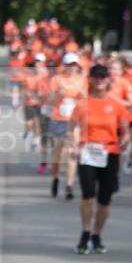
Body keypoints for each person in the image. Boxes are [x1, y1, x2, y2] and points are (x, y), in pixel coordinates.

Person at [67, 63, 129, 255]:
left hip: (110, 153)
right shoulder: (82, 104)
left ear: (108, 80)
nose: (99, 80)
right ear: (91, 80)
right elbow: (71, 128)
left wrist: (125, 141)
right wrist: (72, 145)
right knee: (88, 197)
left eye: (103, 77)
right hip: (87, 152)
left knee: (105, 200)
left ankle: (97, 234)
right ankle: (85, 233)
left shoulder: (117, 105)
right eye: (96, 77)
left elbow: (125, 131)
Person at [48, 52, 86, 198]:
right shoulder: (57, 79)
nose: (71, 68)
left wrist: (83, 96)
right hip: (58, 119)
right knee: (58, 153)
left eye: (74, 65)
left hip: (74, 121)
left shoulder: (82, 80)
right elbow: (50, 101)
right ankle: (56, 178)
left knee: (72, 152)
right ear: (64, 66)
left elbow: (87, 101)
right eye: (69, 65)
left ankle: (69, 185)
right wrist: (59, 93)